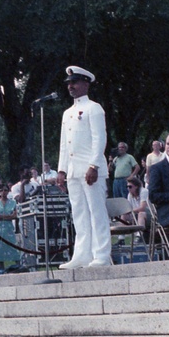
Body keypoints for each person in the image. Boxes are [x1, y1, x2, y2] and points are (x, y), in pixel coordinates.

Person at [57, 66, 113, 269]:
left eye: (75, 82)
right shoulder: (67, 113)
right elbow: (65, 144)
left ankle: (101, 255)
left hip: (90, 170)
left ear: (86, 84)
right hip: (73, 171)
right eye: (69, 83)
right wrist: (62, 170)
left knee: (96, 212)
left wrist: (94, 165)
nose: (70, 86)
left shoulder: (94, 108)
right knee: (79, 213)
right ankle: (81, 255)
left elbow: (100, 139)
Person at [0, 183, 20, 274]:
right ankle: (0, 269)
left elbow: (15, 215)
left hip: (8, 228)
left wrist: (3, 216)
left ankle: (18, 266)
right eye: (1, 190)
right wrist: (8, 216)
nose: (3, 192)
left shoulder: (13, 202)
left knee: (13, 247)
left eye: (5, 190)